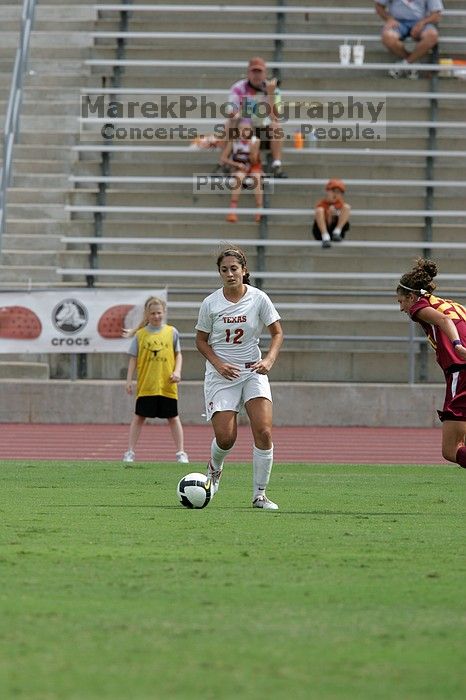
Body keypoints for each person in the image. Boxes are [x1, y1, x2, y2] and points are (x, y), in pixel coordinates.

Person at [195, 245, 284, 509]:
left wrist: (268, 360)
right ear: (219, 273)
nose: (230, 274)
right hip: (221, 375)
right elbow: (200, 341)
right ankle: (215, 467)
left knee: (264, 431)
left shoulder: (259, 298)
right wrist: (219, 364)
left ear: (244, 270)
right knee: (226, 438)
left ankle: (260, 494)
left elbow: (277, 333)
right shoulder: (211, 303)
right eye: (225, 270)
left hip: (252, 371)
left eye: (235, 269)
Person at [397, 258, 466, 470]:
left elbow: (444, 321)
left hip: (460, 373)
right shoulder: (451, 304)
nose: (401, 308)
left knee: (450, 450)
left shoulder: (420, 307)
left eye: (401, 301)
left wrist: (456, 345)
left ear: (411, 296)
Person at [122, 296, 189, 465]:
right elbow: (133, 359)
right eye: (153, 313)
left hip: (167, 385)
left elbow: (178, 354)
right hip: (147, 385)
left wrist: (177, 371)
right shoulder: (140, 334)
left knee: (173, 418)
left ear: (164, 313)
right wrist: (129, 381)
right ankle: (129, 451)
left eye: (159, 313)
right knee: (139, 417)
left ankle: (181, 452)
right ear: (147, 314)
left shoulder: (172, 332)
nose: (156, 316)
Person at [224, 56, 287, 178]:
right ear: (248, 73)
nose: (257, 75)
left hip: (264, 130)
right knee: (229, 124)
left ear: (265, 73)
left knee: (276, 126)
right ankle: (225, 163)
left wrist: (270, 95)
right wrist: (240, 114)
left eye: (260, 72)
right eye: (254, 72)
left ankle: (276, 165)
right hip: (245, 127)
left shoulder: (274, 90)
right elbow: (232, 111)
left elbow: (275, 117)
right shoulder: (238, 88)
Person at [375, 0, 443, 79]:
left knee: (432, 35)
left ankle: (404, 64)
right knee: (387, 36)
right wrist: (389, 19)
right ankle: (412, 62)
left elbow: (436, 15)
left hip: (420, 22)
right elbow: (378, 6)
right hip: (398, 22)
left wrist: (422, 23)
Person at [220, 118, 264, 224]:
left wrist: (252, 150)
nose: (244, 132)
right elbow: (223, 158)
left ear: (251, 130)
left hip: (253, 166)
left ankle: (259, 208)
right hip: (240, 167)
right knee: (239, 177)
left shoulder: (255, 141)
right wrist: (237, 164)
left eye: (247, 129)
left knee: (257, 177)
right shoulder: (234, 141)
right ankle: (233, 210)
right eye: (241, 129)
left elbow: (254, 161)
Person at [312, 179, 351, 249]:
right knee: (319, 210)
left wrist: (336, 214)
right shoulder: (322, 204)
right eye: (334, 191)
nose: (335, 194)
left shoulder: (341, 205)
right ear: (327, 191)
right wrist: (328, 216)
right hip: (322, 233)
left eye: (339, 192)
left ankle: (336, 232)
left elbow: (346, 224)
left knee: (347, 207)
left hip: (336, 232)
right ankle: (325, 237)